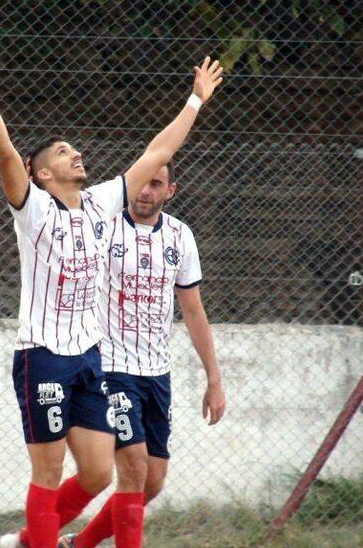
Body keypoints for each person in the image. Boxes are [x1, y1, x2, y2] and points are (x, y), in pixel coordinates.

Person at [0, 42, 222, 548]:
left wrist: (195, 100)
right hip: (44, 356)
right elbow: (5, 153)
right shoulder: (32, 210)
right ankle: (37, 542)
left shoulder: (102, 203)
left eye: (73, 148)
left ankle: (30, 538)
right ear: (42, 174)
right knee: (49, 470)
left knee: (99, 473)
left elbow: (157, 154)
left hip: (88, 361)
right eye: (61, 152)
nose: (75, 153)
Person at [61, 161, 226, 548]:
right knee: (133, 464)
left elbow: (193, 310)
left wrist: (214, 379)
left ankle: (79, 544)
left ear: (170, 191)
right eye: (142, 182)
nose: (145, 191)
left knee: (151, 482)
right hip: (111, 367)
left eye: (156, 184)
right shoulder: (104, 227)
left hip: (157, 371)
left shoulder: (180, 237)